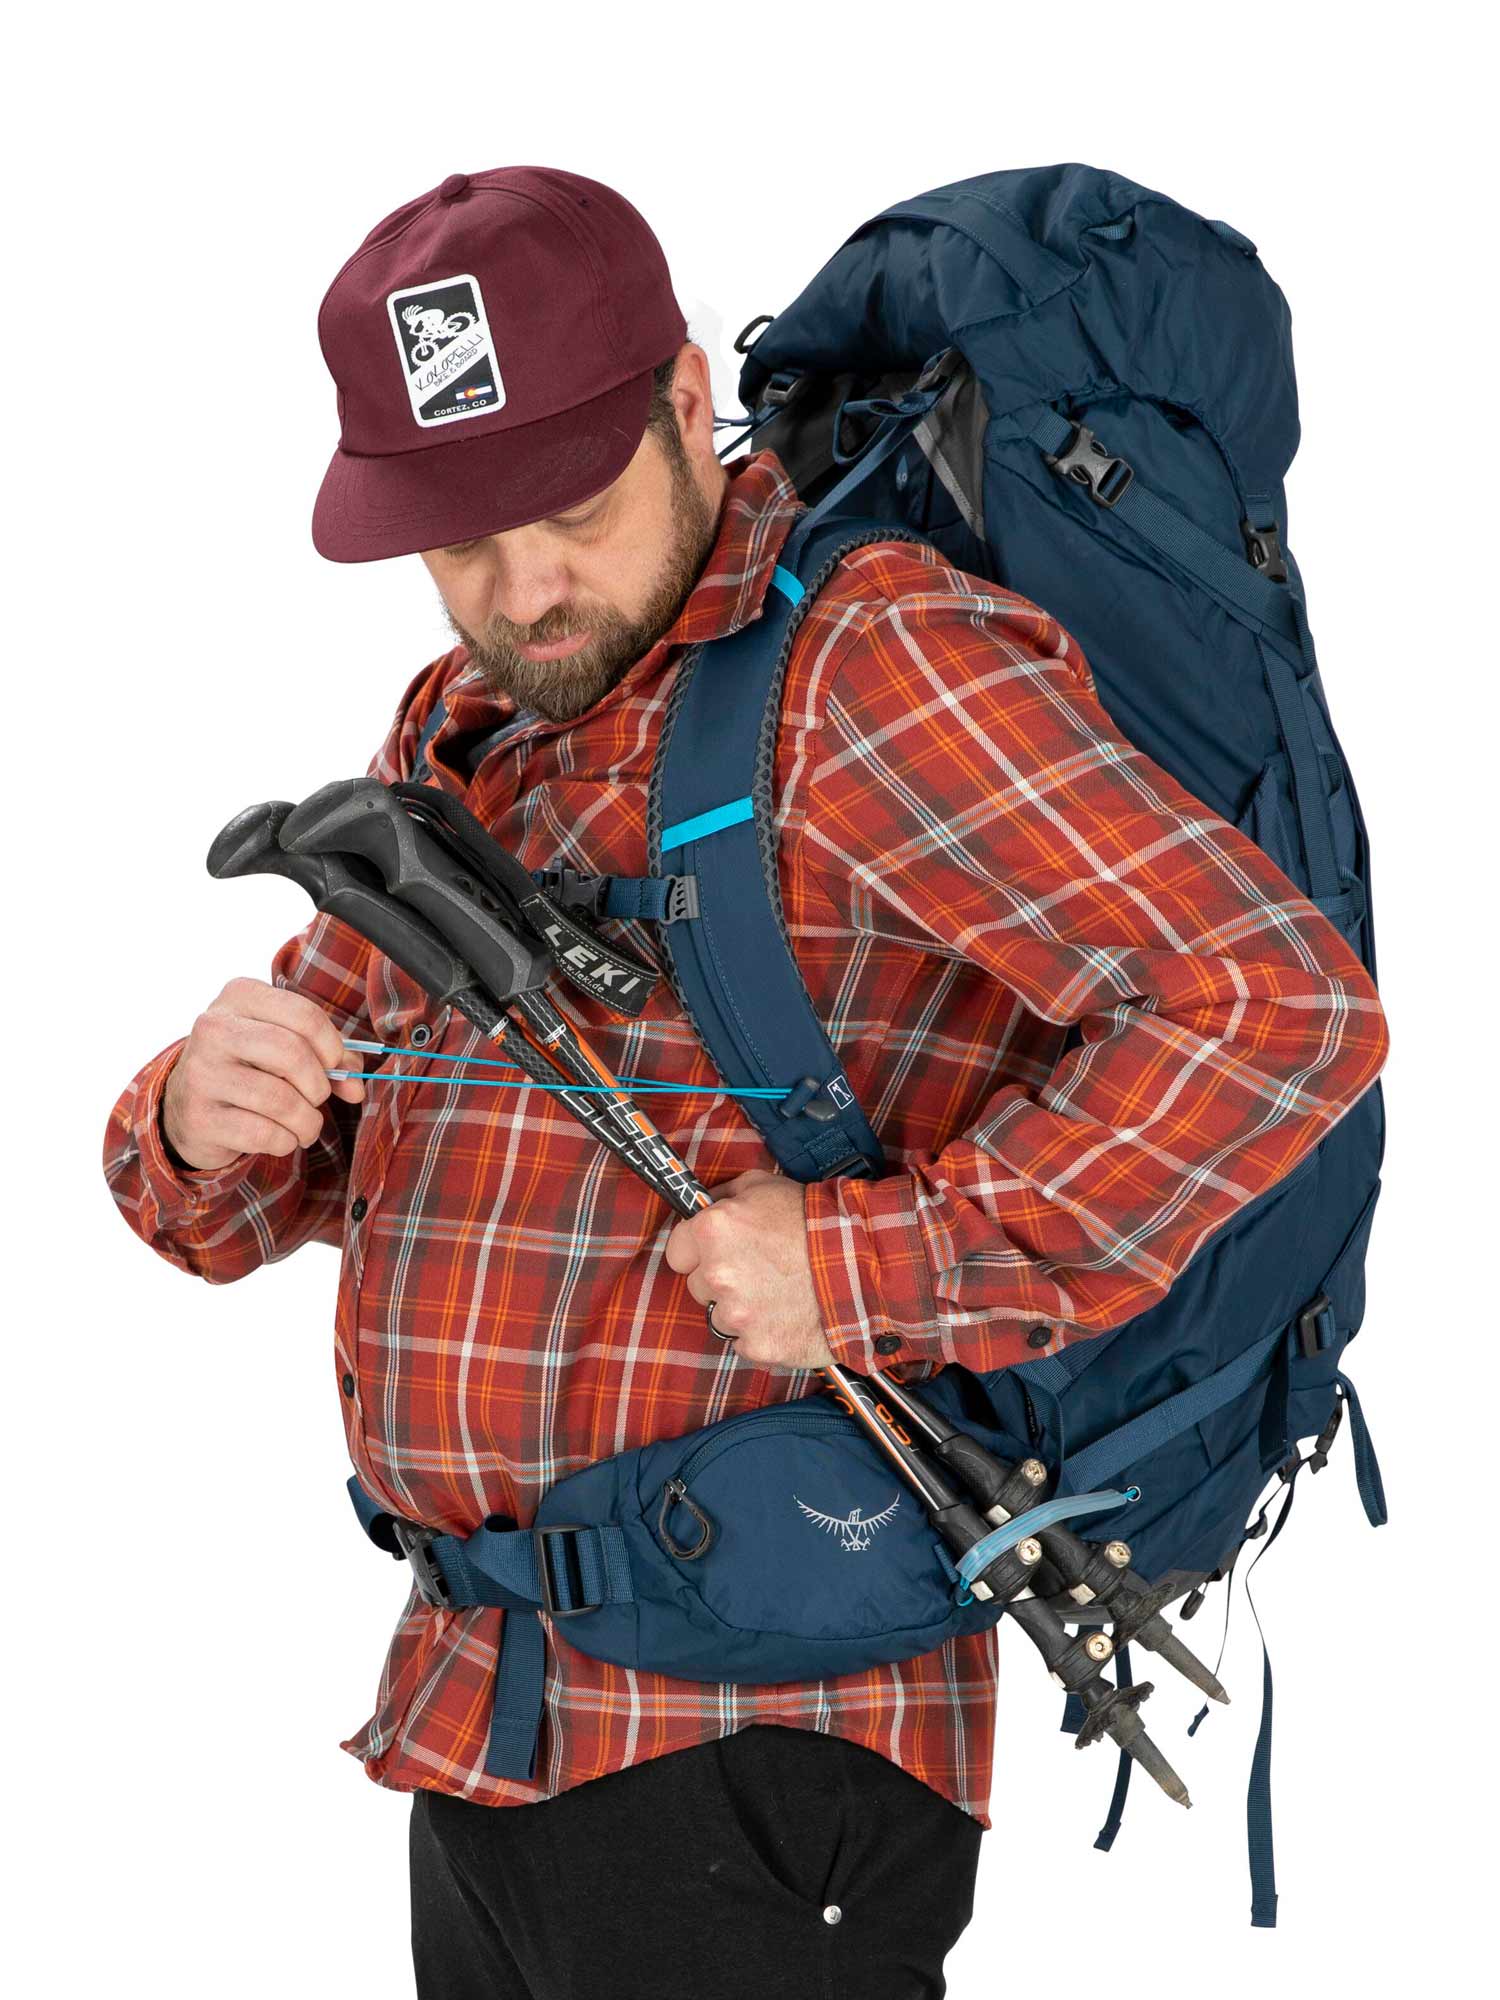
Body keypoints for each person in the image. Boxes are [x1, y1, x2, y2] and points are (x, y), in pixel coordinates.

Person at [102, 166, 1391, 1999]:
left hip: (760, 1748)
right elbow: (241, 1200)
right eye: (462, 542)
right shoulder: (476, 720)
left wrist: (865, 1269)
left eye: (570, 511)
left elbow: (1277, 1009)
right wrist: (198, 1116)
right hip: (485, 1723)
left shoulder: (869, 664)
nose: (523, 591)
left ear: (685, 400)